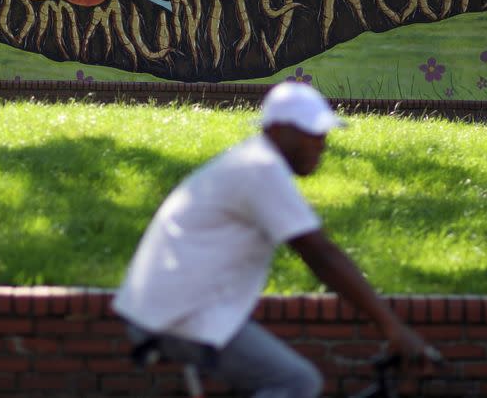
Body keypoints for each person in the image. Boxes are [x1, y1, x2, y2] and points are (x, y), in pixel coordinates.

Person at [112, 81, 441, 398]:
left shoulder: (252, 161)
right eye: (311, 132)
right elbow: (320, 253)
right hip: (179, 315)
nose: (321, 142)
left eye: (323, 132)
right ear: (278, 130)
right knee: (296, 382)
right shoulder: (259, 168)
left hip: (167, 307)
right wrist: (392, 327)